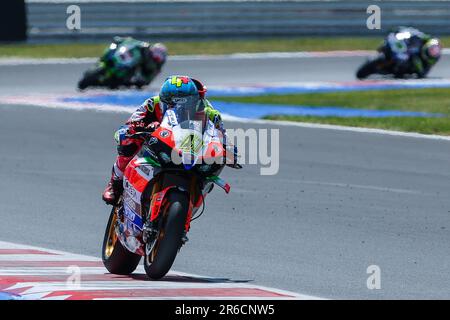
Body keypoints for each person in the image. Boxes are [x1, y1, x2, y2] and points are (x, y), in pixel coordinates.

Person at [102, 75, 236, 205]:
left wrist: (229, 150)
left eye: (187, 103)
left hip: (189, 149)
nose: (180, 108)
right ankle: (115, 182)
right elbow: (131, 124)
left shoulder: (209, 112)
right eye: (173, 104)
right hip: (157, 144)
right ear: (163, 101)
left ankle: (191, 200)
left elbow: (221, 135)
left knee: (211, 165)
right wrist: (136, 129)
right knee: (127, 142)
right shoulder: (151, 104)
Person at [101, 36, 168, 87]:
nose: (153, 58)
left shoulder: (156, 68)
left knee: (123, 83)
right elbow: (129, 41)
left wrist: (139, 82)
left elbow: (147, 81)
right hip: (122, 58)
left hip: (128, 76)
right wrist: (121, 40)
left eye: (156, 59)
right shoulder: (143, 47)